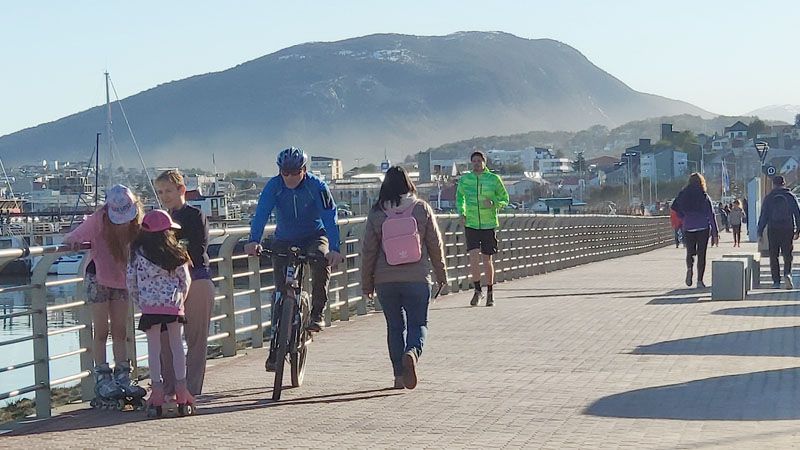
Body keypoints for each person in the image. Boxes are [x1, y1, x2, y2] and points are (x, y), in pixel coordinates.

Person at [245, 147, 344, 371]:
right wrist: (254, 240)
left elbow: (330, 216)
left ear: (304, 170)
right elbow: (261, 213)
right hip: (285, 237)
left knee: (320, 259)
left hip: (314, 235)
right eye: (285, 172)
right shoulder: (274, 186)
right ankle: (275, 347)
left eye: (295, 172)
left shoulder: (317, 186)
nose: (289, 177)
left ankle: (317, 311)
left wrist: (334, 249)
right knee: (280, 292)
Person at [361, 166, 447, 389]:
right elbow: (435, 245)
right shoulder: (421, 208)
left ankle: (399, 376)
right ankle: (412, 352)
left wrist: (367, 283)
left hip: (385, 280)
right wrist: (441, 274)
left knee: (394, 326)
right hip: (417, 279)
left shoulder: (377, 212)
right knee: (418, 323)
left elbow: (368, 251)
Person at [63, 184, 144, 404]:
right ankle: (102, 375)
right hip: (97, 277)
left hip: (121, 279)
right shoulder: (99, 219)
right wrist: (73, 241)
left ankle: (123, 373)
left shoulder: (136, 223)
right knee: (101, 329)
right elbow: (74, 235)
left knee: (120, 329)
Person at [154, 169, 214, 398]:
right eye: (161, 192)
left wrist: (172, 258)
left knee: (196, 339)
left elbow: (198, 250)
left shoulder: (195, 215)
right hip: (168, 287)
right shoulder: (160, 219)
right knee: (164, 339)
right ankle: (169, 387)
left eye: (168, 191)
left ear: (181, 190)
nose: (164, 196)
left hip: (197, 279)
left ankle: (191, 389)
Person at [127, 209, 193, 415]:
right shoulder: (177, 254)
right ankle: (181, 390)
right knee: (177, 347)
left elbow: (131, 282)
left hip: (149, 307)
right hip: (173, 305)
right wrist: (180, 299)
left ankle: (157, 391)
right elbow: (186, 281)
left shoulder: (137, 255)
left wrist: (140, 302)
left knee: (153, 349)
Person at [455, 150, 509, 307]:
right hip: (471, 223)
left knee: (487, 259)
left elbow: (505, 199)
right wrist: (462, 212)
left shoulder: (493, 179)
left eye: (479, 161)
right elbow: (459, 197)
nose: (477, 164)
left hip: (488, 224)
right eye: (474, 161)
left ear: (485, 162)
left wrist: (494, 203)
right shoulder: (466, 179)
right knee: (473, 257)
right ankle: (477, 290)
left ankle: (490, 292)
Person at [671, 173, 719, 288]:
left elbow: (675, 208)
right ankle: (699, 281)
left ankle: (689, 268)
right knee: (702, 254)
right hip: (703, 227)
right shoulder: (704, 196)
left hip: (688, 227)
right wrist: (715, 233)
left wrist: (684, 217)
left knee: (690, 252)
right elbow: (711, 215)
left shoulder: (683, 195)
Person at [757, 175, 800, 289]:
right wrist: (798, 230)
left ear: (773, 184)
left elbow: (763, 215)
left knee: (773, 255)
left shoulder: (769, 197)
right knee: (787, 254)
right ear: (784, 184)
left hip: (773, 229)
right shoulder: (790, 196)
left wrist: (760, 232)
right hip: (787, 228)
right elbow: (797, 213)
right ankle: (787, 274)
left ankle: (776, 281)